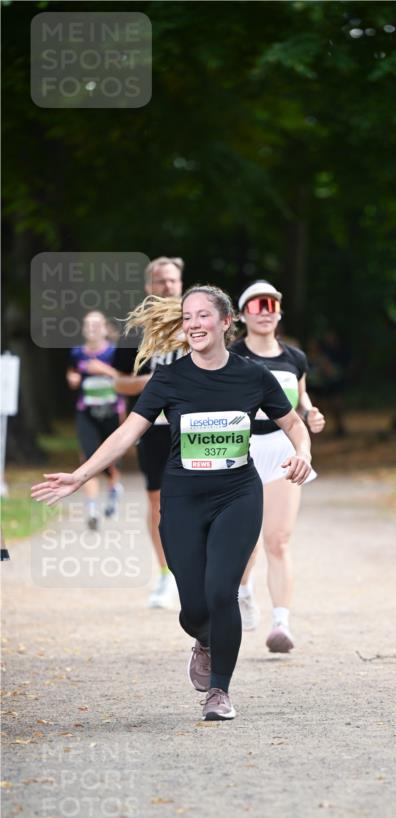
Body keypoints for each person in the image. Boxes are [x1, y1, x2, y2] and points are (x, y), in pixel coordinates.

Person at [33, 285, 312, 722]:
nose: (195, 324)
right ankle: (203, 638)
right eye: (188, 317)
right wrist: (82, 474)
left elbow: (294, 423)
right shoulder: (170, 378)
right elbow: (128, 432)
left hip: (238, 493)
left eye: (204, 316)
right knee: (195, 609)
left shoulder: (251, 375)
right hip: (183, 497)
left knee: (223, 593)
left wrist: (304, 453)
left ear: (225, 323)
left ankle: (219, 691)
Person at [229, 280, 325, 652]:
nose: (265, 310)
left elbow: (301, 399)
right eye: (256, 305)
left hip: (283, 447)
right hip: (242, 447)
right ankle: (242, 590)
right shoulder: (232, 355)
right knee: (246, 538)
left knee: (279, 539)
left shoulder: (294, 358)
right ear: (241, 315)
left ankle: (281, 624)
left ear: (280, 312)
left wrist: (311, 414)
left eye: (271, 304)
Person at [113, 256, 186, 609]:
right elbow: (117, 382)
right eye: (160, 281)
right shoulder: (136, 331)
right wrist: (147, 383)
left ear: (181, 283)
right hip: (153, 428)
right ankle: (164, 574)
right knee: (158, 502)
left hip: (193, 429)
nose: (167, 287)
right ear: (148, 287)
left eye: (172, 280)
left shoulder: (196, 323)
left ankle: (195, 569)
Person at [66, 309, 124, 531]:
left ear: (104, 329)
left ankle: (113, 489)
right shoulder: (77, 352)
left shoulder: (114, 352)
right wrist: (72, 378)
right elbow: (72, 374)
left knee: (110, 461)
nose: (92, 329)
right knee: (88, 459)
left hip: (111, 411)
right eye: (88, 325)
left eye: (96, 325)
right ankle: (91, 510)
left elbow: (127, 380)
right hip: (86, 412)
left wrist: (104, 370)